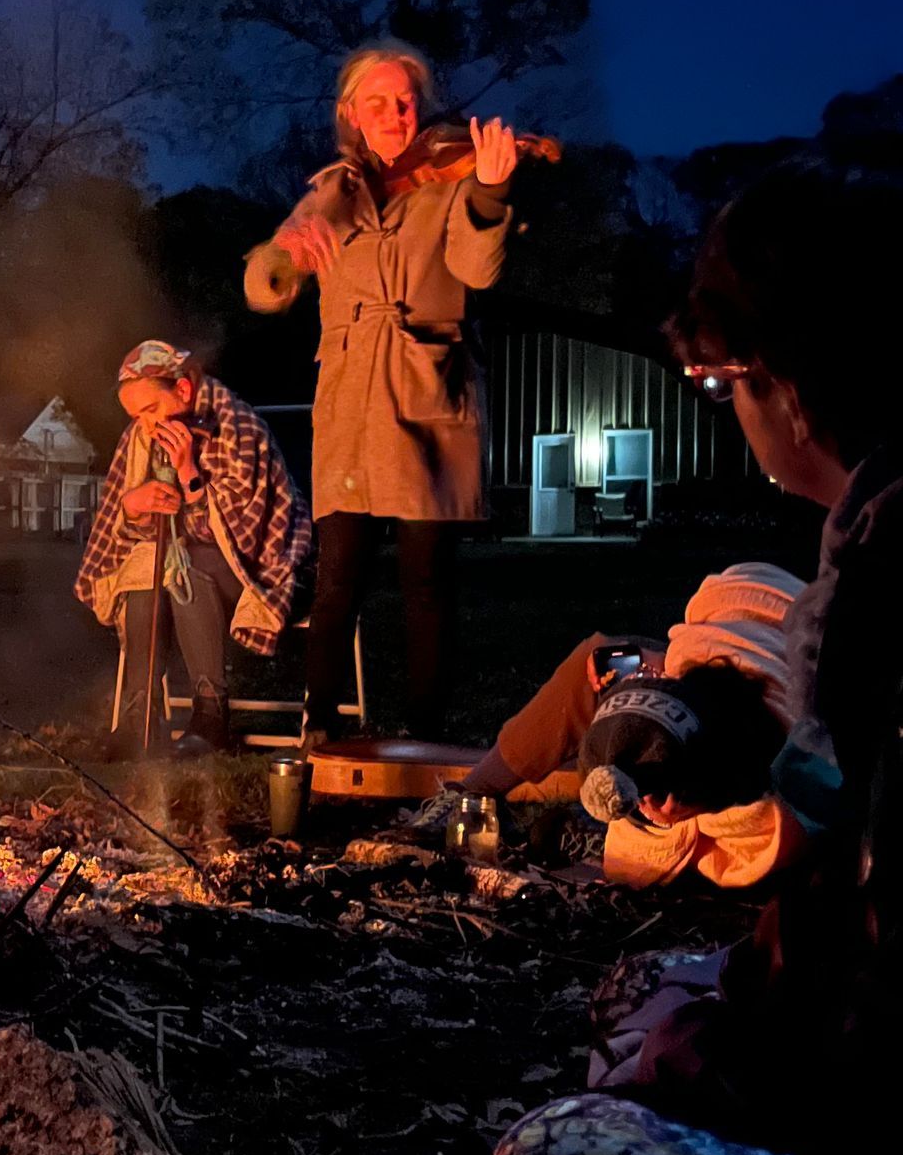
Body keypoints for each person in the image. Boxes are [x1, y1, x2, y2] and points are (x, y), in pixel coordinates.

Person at [492, 166, 903, 1155]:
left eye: (727, 385)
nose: (734, 408)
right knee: (652, 982)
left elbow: (851, 917)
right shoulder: (868, 530)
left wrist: (724, 1049)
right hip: (848, 1013)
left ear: (790, 383)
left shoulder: (881, 576)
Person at [246, 46, 519, 743]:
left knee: (428, 585)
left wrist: (490, 192)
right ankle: (318, 731)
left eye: (404, 100)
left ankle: (425, 737)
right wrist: (282, 257)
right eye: (378, 102)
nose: (395, 114)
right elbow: (264, 284)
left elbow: (476, 271)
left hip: (428, 393)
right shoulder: (333, 192)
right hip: (351, 403)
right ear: (350, 114)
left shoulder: (452, 180)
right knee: (339, 581)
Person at [411, 564, 808, 888]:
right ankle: (473, 793)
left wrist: (659, 824)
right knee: (596, 662)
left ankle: (592, 825)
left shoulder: (792, 768)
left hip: (782, 654)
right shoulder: (688, 670)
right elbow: (693, 668)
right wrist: (647, 667)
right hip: (728, 631)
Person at [75, 340, 311, 754]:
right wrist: (134, 508)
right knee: (148, 568)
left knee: (187, 565)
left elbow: (243, 539)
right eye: (135, 417)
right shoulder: (142, 439)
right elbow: (120, 527)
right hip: (189, 562)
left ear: (183, 390)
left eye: (150, 411)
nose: (145, 426)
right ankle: (139, 717)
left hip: (265, 570)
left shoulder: (238, 428)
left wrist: (188, 472)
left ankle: (211, 715)